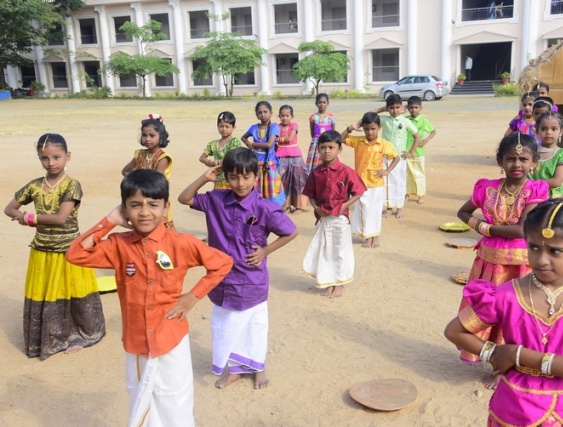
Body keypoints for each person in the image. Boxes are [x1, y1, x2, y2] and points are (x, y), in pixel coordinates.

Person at [66, 169, 233, 427]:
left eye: (153, 204)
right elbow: (75, 255)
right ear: (124, 209)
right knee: (140, 398)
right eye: (135, 205)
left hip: (171, 337)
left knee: (176, 400)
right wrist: (109, 221)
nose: (144, 212)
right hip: (137, 343)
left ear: (166, 208)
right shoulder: (118, 245)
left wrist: (192, 296)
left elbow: (222, 263)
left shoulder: (182, 243)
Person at [445, 199, 563, 426]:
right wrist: (493, 352)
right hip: (517, 408)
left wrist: (517, 355)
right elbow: (454, 331)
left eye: (555, 251)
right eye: (534, 248)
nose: (542, 260)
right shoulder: (506, 295)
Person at [178, 148, 298, 390]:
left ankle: (258, 368)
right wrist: (205, 177)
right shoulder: (216, 200)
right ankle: (234, 370)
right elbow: (184, 198)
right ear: (225, 177)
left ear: (256, 176)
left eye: (246, 177)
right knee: (226, 326)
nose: (240, 183)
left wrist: (265, 251)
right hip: (222, 279)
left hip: (251, 279)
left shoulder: (265, 208)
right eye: (233, 177)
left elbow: (291, 231)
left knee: (254, 325)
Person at [456, 132, 549, 387]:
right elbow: (463, 212)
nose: (516, 164)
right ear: (500, 161)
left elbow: (521, 230)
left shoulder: (535, 190)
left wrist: (487, 229)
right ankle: (494, 360)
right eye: (510, 159)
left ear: (534, 162)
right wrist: (480, 226)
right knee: (488, 312)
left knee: (516, 315)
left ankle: (507, 367)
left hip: (520, 266)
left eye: (523, 159)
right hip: (488, 263)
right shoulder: (486, 188)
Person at [4, 133, 106, 360]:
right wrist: (21, 216)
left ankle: (74, 334)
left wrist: (29, 218)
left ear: (68, 156)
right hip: (42, 249)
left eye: (56, 157)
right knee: (47, 291)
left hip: (68, 250)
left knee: (70, 290)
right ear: (39, 158)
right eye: (45, 158)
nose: (51, 163)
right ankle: (50, 337)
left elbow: (61, 218)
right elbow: (9, 208)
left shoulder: (72, 185)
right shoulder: (34, 185)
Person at [302, 130, 367, 298]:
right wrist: (316, 208)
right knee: (325, 250)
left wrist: (343, 206)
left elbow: (359, 191)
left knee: (340, 250)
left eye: (331, 147)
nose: (327, 151)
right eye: (323, 147)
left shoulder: (346, 171)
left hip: (340, 219)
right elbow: (310, 195)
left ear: (339, 149)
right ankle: (328, 281)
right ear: (318, 149)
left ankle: (339, 283)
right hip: (323, 219)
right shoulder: (316, 173)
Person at [341, 112, 400, 248]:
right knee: (363, 210)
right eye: (366, 129)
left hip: (376, 183)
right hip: (360, 184)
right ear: (363, 128)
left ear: (379, 127)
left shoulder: (383, 144)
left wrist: (387, 171)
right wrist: (351, 127)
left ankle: (375, 236)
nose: (370, 132)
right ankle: (367, 236)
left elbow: (396, 157)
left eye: (373, 129)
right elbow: (339, 139)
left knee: (375, 210)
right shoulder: (358, 141)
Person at [122, 113, 176, 230]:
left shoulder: (163, 157)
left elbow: (156, 181)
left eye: (152, 135)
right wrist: (134, 181)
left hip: (155, 197)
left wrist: (138, 178)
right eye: (144, 135)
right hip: (139, 196)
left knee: (158, 227)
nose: (147, 139)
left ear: (161, 137)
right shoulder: (139, 154)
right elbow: (125, 171)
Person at [372, 94, 419, 218]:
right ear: (388, 108)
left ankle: (399, 207)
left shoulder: (405, 122)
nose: (394, 110)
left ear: (401, 107)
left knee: (399, 182)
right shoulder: (384, 120)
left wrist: (411, 152)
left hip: (400, 159)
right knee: (386, 183)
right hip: (385, 157)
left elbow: (416, 136)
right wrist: (383, 108)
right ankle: (388, 207)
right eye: (391, 108)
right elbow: (369, 115)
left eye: (397, 107)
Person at [241, 101, 286, 206]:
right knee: (256, 187)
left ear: (271, 113)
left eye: (265, 112)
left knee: (270, 188)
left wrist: (252, 144)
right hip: (256, 163)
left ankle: (272, 208)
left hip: (269, 164)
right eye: (260, 112)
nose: (263, 115)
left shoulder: (274, 127)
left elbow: (269, 144)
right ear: (257, 115)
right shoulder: (254, 128)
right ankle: (257, 207)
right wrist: (247, 143)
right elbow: (243, 137)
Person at [530, 111, 563, 198]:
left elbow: (556, 181)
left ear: (561, 131)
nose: (548, 132)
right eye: (543, 129)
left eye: (554, 129)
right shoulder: (530, 152)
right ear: (536, 131)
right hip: (530, 194)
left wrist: (529, 185)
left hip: (552, 197)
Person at [405, 96, 437, 205]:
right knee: (407, 174)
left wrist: (426, 141)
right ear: (407, 108)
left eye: (416, 107)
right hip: (407, 151)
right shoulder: (405, 120)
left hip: (419, 151)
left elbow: (433, 131)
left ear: (420, 108)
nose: (413, 110)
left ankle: (420, 195)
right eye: (411, 107)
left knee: (419, 174)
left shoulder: (423, 121)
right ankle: (407, 194)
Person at [199, 111, 243, 190]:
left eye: (227, 126)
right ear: (217, 126)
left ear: (233, 127)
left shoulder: (234, 142)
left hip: (232, 182)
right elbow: (201, 158)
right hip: (218, 182)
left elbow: (231, 159)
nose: (223, 129)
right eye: (221, 126)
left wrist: (214, 163)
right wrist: (208, 162)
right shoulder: (213, 144)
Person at [276, 105, 307, 214]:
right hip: (281, 155)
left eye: (287, 116)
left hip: (295, 156)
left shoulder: (294, 125)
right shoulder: (276, 126)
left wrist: (277, 139)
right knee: (283, 180)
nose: (285, 118)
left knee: (297, 180)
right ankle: (286, 206)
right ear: (279, 116)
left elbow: (289, 138)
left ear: (292, 116)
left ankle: (298, 207)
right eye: (282, 116)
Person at [307, 93, 336, 174]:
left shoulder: (331, 117)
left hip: (328, 142)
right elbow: (312, 132)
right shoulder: (313, 117)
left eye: (324, 102)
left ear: (327, 103)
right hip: (316, 143)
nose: (322, 104)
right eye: (320, 102)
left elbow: (333, 132)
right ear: (316, 103)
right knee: (315, 162)